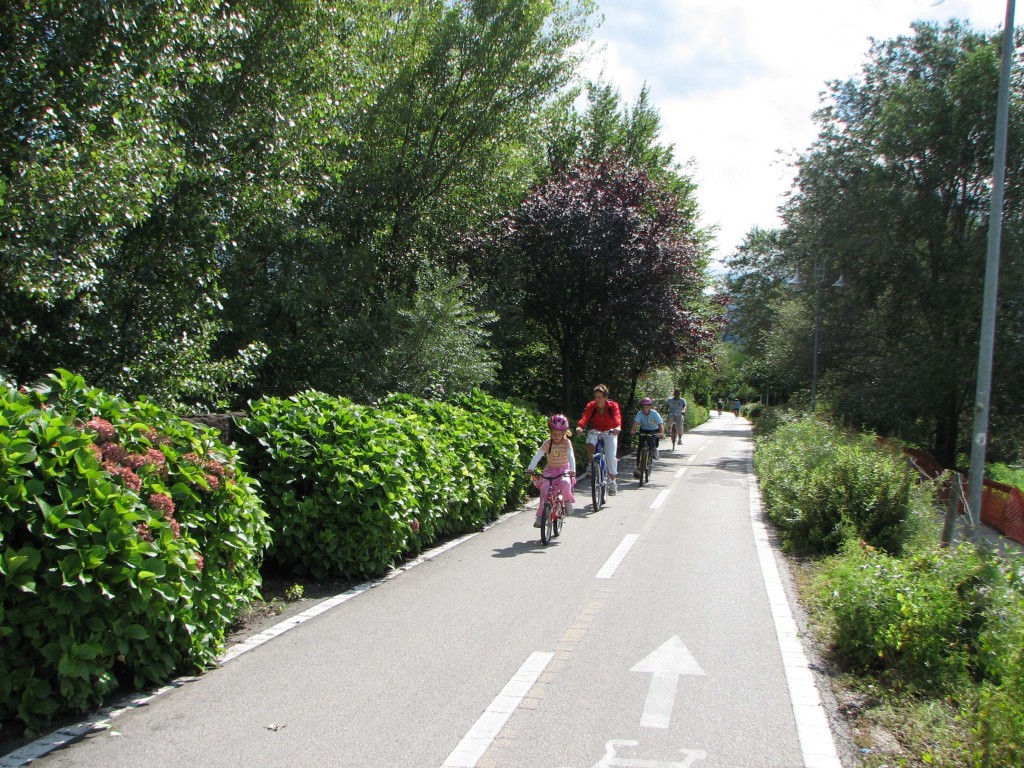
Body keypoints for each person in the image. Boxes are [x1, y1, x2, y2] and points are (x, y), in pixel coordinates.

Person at [525, 414, 576, 527]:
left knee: (565, 483)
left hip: (564, 469)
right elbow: (538, 455)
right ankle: (540, 517)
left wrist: (572, 470)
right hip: (550, 470)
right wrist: (531, 468)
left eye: (559, 434)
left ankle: (567, 502)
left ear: (564, 433)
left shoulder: (566, 442)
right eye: (554, 434)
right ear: (550, 433)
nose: (556, 437)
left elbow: (570, 455)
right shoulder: (548, 443)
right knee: (544, 489)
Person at [575, 384, 622, 495]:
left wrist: (617, 427)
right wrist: (580, 426)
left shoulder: (612, 406)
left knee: (611, 456)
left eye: (600, 397)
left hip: (609, 431)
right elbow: (585, 417)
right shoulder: (591, 405)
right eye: (595, 397)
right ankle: (591, 464)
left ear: (606, 397)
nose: (597, 399)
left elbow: (617, 417)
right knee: (590, 440)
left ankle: (612, 481)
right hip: (595, 430)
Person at [631, 397, 664, 477]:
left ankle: (654, 450)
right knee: (640, 447)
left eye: (646, 406)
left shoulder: (654, 413)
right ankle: (639, 468)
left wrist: (661, 433)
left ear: (650, 407)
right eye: (643, 406)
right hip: (643, 430)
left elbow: (660, 424)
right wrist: (633, 430)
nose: (644, 408)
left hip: (653, 430)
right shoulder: (640, 413)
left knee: (652, 442)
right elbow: (636, 423)